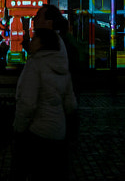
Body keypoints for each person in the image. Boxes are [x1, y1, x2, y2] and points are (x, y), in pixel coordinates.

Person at [11, 23, 76, 181]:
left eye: (34, 39)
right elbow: (71, 104)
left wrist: (18, 128)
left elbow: (27, 104)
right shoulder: (62, 66)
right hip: (58, 131)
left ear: (42, 43)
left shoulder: (35, 64)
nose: (30, 42)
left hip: (37, 132)